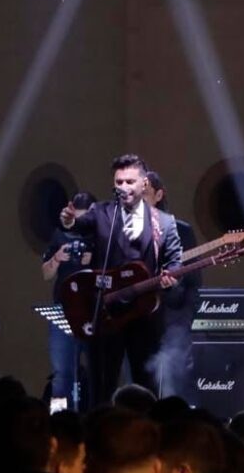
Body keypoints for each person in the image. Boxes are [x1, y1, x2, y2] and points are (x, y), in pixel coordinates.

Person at [58, 154, 181, 404]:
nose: (124, 187)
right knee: (102, 388)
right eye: (119, 182)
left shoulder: (164, 222)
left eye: (130, 182)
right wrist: (69, 221)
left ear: (144, 183)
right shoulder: (102, 212)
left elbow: (174, 261)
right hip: (106, 314)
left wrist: (171, 278)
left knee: (146, 388)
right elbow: (78, 225)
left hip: (144, 315)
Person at [143, 171, 200, 400]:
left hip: (172, 318)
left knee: (171, 384)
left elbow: (193, 280)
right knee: (140, 382)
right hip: (136, 318)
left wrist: (174, 286)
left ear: (158, 195)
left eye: (144, 194)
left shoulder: (181, 231)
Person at [41, 191, 95, 412]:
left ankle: (95, 418)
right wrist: (57, 258)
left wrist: (94, 258)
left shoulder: (100, 237)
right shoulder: (60, 235)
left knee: (98, 371)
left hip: (94, 312)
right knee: (61, 374)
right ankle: (59, 419)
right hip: (62, 312)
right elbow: (46, 274)